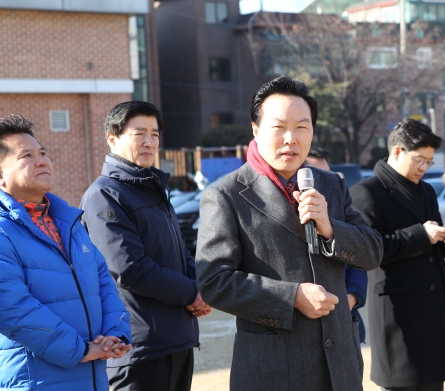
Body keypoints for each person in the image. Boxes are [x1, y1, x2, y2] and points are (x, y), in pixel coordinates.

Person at [195, 76, 383, 391]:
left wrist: (329, 227)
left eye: (301, 127)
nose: (290, 139)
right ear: (255, 130)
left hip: (341, 366)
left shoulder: (330, 184)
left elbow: (372, 252)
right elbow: (213, 281)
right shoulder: (225, 195)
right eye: (279, 127)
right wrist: (291, 297)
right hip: (274, 370)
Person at [80, 101, 211, 391]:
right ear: (113, 139)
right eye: (140, 133)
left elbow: (179, 252)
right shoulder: (104, 195)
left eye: (155, 133)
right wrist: (191, 292)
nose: (150, 142)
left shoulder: (153, 187)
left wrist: (199, 286)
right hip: (139, 347)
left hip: (176, 337)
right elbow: (129, 268)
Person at [0, 114, 132, 390]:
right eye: (27, 156)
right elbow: (11, 307)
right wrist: (79, 350)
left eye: (43, 152)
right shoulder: (3, 231)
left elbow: (104, 282)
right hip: (38, 381)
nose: (42, 161)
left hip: (92, 377)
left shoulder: (68, 222)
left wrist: (114, 334)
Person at [350, 118, 445, 391]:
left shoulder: (425, 191)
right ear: (397, 151)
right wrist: (423, 235)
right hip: (398, 314)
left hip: (433, 308)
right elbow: (371, 250)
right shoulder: (366, 192)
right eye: (419, 160)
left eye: (429, 161)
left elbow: (432, 239)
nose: (424, 167)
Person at [305, 147, 369, 343]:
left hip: (346, 322)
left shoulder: (341, 208)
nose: (325, 184)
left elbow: (360, 258)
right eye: (317, 177)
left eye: (328, 175)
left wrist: (350, 299)